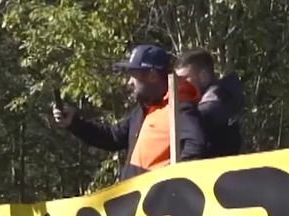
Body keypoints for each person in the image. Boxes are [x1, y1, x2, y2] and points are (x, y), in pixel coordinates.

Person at [51, 44, 205, 181]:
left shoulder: (179, 107)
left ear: (152, 76)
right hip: (136, 205)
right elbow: (111, 137)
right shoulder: (143, 111)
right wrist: (74, 123)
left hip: (156, 207)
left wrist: (172, 186)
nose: (129, 82)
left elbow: (196, 145)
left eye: (133, 75)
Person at [175, 48, 245, 157]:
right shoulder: (223, 98)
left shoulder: (215, 104)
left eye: (185, 79)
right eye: (178, 80)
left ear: (203, 76)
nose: (180, 85)